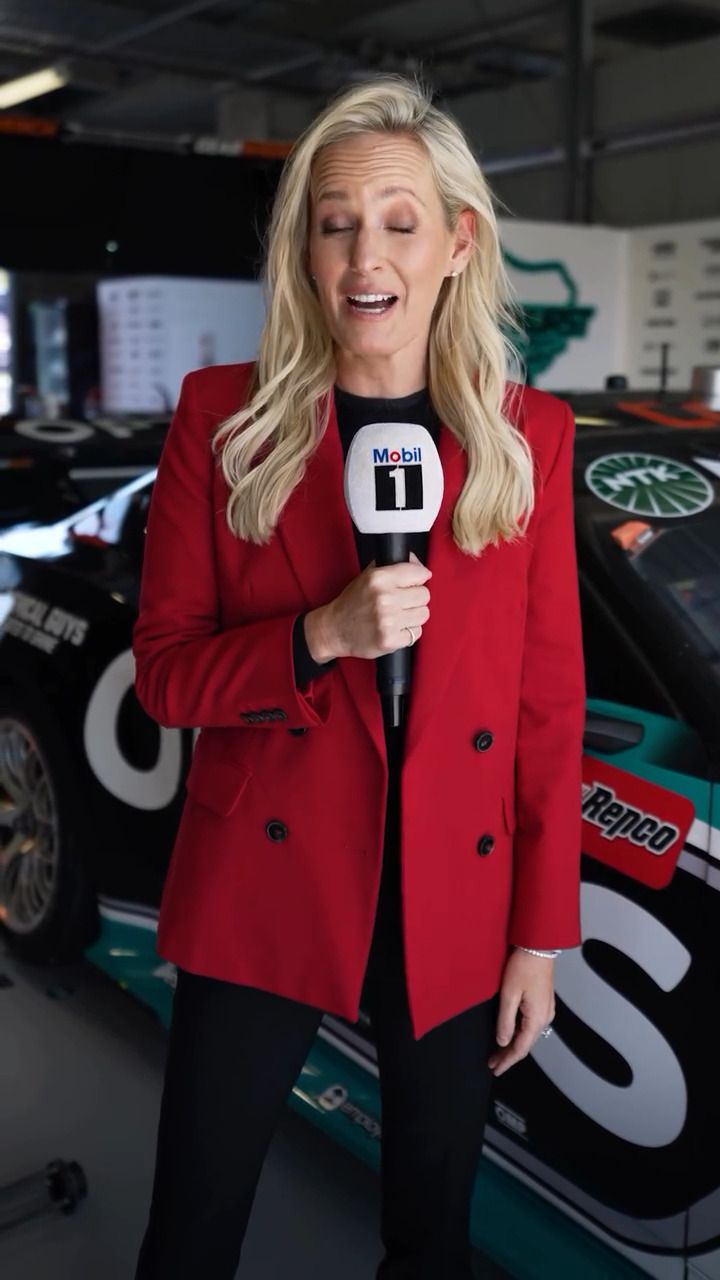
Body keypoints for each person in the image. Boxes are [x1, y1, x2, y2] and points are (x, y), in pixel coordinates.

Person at [132, 74, 585, 1280]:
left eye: (398, 221)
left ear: (457, 243)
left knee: (431, 1237)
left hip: (455, 894)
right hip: (263, 878)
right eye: (335, 223)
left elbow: (546, 709)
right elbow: (164, 678)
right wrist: (316, 635)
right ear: (305, 249)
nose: (365, 255)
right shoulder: (222, 418)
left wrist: (539, 937)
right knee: (191, 1230)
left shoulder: (528, 436)